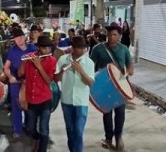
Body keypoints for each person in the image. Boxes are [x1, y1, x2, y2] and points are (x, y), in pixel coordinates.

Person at [90, 24, 134, 152]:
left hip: (120, 86)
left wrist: (130, 71)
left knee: (120, 112)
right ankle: (108, 138)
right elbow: (91, 66)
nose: (111, 37)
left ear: (120, 36)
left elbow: (129, 66)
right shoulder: (98, 48)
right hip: (104, 86)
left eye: (114, 35)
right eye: (109, 34)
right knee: (107, 112)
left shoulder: (124, 49)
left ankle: (118, 137)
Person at [55, 36, 94, 152]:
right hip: (66, 100)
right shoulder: (63, 59)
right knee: (70, 130)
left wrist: (81, 71)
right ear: (73, 48)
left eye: (84, 48)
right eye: (79, 48)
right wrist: (62, 71)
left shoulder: (89, 63)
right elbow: (55, 79)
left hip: (81, 102)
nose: (83, 51)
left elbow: (90, 83)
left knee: (78, 131)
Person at [18, 35, 57, 152]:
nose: (48, 50)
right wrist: (23, 62)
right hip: (31, 98)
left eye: (49, 48)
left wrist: (39, 66)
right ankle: (36, 138)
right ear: (38, 47)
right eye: (44, 48)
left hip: (45, 99)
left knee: (44, 128)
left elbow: (49, 80)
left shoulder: (52, 61)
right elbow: (20, 73)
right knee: (30, 127)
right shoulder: (29, 58)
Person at [4, 28, 37, 139]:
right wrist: (10, 76)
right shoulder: (12, 51)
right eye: (17, 38)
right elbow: (6, 67)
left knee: (30, 105)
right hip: (15, 81)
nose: (19, 39)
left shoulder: (33, 48)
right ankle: (17, 129)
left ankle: (29, 126)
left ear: (25, 37)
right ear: (14, 39)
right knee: (16, 105)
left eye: (21, 37)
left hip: (30, 81)